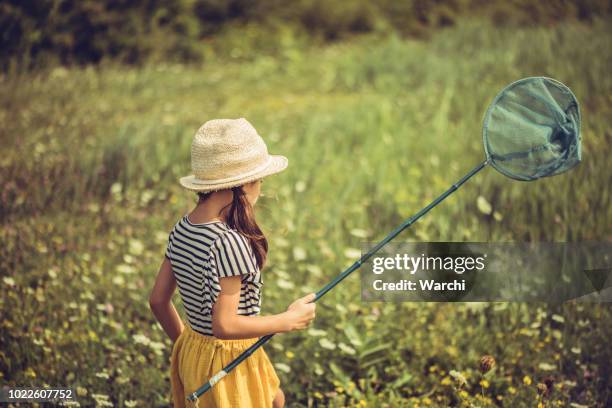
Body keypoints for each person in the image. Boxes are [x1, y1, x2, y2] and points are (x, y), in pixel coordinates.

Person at [149, 118, 316, 407]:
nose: (261, 189)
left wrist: (188, 346)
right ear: (245, 184)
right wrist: (286, 321)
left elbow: (157, 301)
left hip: (193, 350)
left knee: (276, 399)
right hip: (230, 357)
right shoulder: (230, 242)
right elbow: (225, 325)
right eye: (260, 181)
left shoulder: (182, 228)